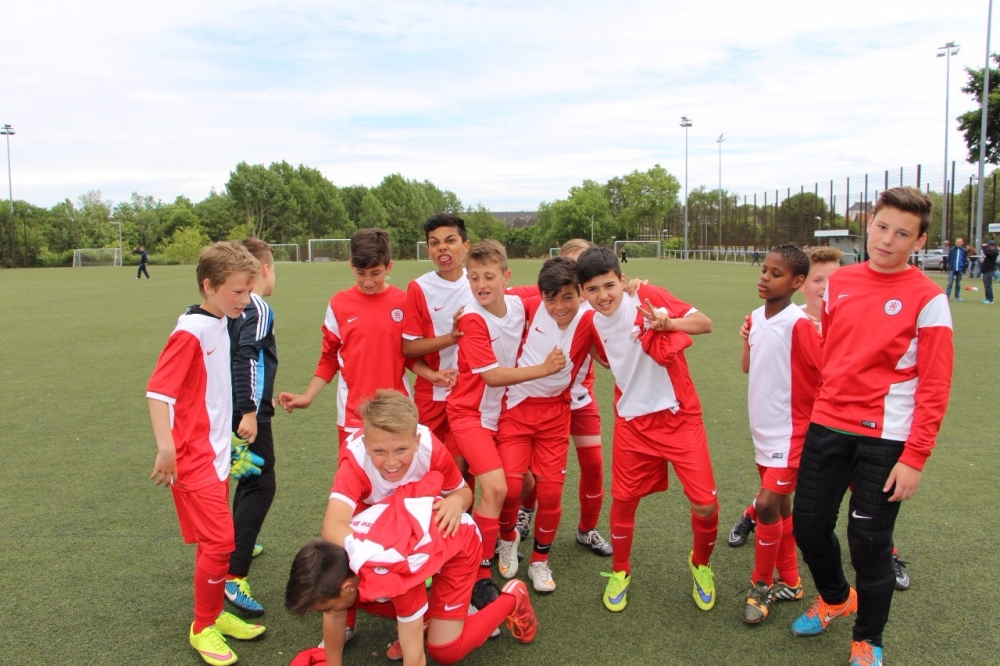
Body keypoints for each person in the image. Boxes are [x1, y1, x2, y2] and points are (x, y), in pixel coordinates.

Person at [791, 187, 953, 666]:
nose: (886, 239)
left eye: (902, 233)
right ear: (869, 224)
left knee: (869, 543)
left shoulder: (929, 298)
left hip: (886, 436)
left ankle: (868, 638)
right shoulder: (840, 282)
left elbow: (935, 383)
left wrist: (915, 457)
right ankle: (837, 599)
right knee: (808, 527)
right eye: (882, 227)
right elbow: (833, 351)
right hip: (828, 425)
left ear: (919, 242)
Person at [317, 390, 537, 662]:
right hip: (399, 542)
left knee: (445, 651)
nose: (391, 462)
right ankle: (420, 617)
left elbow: (462, 493)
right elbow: (332, 527)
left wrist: (455, 502)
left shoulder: (430, 450)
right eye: (379, 451)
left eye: (401, 449)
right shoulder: (355, 461)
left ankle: (512, 598)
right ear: (365, 443)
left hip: (453, 543)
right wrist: (378, 556)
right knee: (348, 582)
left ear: (417, 440)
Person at [575, 246, 717, 613]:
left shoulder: (645, 296)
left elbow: (705, 323)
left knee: (705, 504)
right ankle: (620, 570)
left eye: (609, 285)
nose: (603, 296)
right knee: (624, 502)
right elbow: (608, 359)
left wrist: (669, 325)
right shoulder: (589, 321)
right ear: (583, 292)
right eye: (592, 289)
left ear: (622, 280)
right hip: (632, 424)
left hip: (679, 417)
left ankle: (700, 564)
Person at [146, 241, 266, 666]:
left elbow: (208, 393)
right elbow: (158, 393)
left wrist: (224, 438)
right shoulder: (191, 331)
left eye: (248, 290)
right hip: (191, 459)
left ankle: (212, 615)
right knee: (220, 543)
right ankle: (202, 627)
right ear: (209, 286)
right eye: (237, 291)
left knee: (212, 544)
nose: (245, 299)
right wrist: (166, 448)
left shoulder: (218, 321)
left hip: (214, 453)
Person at [448, 239, 565, 608]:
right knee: (496, 490)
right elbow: (493, 377)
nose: (481, 284)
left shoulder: (518, 301)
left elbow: (556, 286)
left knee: (525, 485)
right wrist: (543, 369)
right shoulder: (471, 318)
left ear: (506, 277)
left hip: (506, 415)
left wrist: (629, 287)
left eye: (488, 277)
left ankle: (510, 532)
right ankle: (480, 575)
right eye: (473, 278)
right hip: (471, 415)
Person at [278, 229, 453, 454]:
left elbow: (407, 355)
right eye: (361, 273)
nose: (368, 281)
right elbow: (329, 358)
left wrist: (431, 375)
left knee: (396, 471)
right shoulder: (338, 305)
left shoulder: (404, 302)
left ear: (389, 267)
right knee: (352, 473)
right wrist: (308, 396)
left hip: (396, 411)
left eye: (375, 273)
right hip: (353, 414)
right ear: (351, 265)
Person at [495, 256, 598, 593]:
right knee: (510, 488)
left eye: (567, 297)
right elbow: (494, 297)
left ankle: (540, 560)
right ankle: (507, 538)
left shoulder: (591, 318)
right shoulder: (529, 303)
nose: (558, 306)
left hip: (556, 415)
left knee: (551, 494)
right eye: (550, 299)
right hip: (517, 407)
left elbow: (613, 348)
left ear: (581, 292)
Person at [738, 244, 820, 625]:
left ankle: (761, 585)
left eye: (776, 274)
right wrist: (746, 336)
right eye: (764, 270)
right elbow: (748, 367)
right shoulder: (755, 317)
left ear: (797, 282)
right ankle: (792, 580)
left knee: (767, 505)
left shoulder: (799, 325)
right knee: (781, 508)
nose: (765, 278)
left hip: (792, 435)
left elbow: (824, 374)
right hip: (763, 432)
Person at [224, 238, 278, 617]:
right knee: (261, 481)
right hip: (244, 410)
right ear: (264, 270)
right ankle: (233, 574)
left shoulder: (225, 304)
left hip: (223, 407)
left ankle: (236, 542)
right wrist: (249, 411)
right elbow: (247, 357)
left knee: (247, 478)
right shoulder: (256, 306)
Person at [402, 213, 475, 463]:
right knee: (425, 462)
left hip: (471, 391)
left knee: (462, 465)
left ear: (465, 245)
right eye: (434, 243)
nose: (442, 247)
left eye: (450, 240)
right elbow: (409, 349)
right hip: (432, 392)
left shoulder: (479, 282)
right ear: (429, 250)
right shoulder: (419, 288)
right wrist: (451, 338)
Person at [945, 237, 968, 301]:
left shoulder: (964, 251)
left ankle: (957, 296)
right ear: (955, 243)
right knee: (950, 283)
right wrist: (949, 266)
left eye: (960, 242)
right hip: (952, 269)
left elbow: (965, 259)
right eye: (957, 242)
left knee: (958, 284)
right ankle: (947, 296)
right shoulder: (952, 250)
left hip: (960, 269)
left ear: (962, 243)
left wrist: (964, 268)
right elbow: (949, 259)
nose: (958, 243)